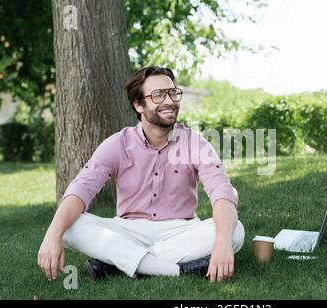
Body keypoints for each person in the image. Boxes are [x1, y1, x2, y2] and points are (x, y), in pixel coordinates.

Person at [37, 66, 245, 283]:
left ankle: (118, 262)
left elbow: (222, 192)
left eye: (173, 93)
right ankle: (176, 270)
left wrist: (222, 244)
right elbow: (81, 189)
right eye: (158, 95)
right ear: (138, 104)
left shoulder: (195, 143)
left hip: (181, 230)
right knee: (70, 226)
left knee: (234, 231)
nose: (169, 101)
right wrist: (52, 234)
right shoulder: (118, 143)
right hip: (128, 229)